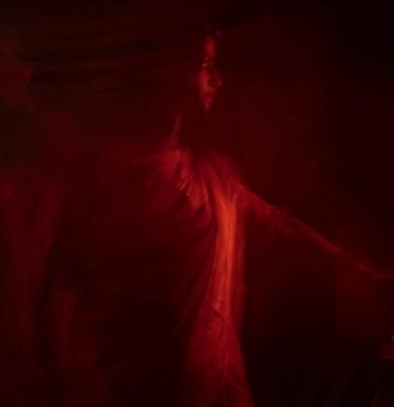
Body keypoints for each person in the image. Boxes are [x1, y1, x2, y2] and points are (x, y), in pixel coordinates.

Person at [43, 22, 391, 406]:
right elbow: (69, 281)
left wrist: (359, 272)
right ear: (171, 71)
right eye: (206, 65)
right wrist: (71, 379)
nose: (218, 80)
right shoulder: (122, 172)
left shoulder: (216, 175)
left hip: (217, 388)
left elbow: (280, 227)